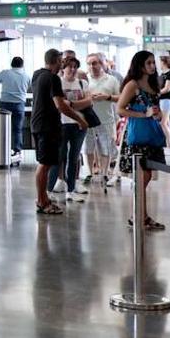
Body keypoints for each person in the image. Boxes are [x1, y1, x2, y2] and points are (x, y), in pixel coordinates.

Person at [31, 49, 88, 216]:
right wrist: (80, 119)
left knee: (44, 163)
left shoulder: (37, 75)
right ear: (56, 60)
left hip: (38, 124)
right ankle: (42, 201)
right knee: (45, 164)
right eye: (61, 61)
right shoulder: (53, 78)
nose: (63, 64)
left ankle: (43, 199)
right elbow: (60, 105)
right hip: (47, 126)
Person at [117, 51, 167, 231]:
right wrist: (141, 114)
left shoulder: (154, 84)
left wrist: (158, 114)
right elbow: (120, 109)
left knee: (145, 178)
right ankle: (139, 216)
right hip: (138, 135)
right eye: (149, 63)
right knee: (142, 177)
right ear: (140, 65)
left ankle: (141, 215)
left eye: (154, 63)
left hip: (152, 135)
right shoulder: (132, 85)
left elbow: (156, 108)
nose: (153, 66)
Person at [47, 57, 91, 202]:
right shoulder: (57, 82)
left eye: (75, 67)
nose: (72, 69)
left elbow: (88, 101)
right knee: (59, 157)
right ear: (63, 68)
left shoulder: (82, 83)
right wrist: (74, 105)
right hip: (61, 124)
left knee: (74, 157)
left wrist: (70, 104)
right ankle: (49, 190)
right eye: (69, 66)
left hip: (79, 125)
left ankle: (71, 190)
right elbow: (58, 104)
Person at [83, 53, 121, 188]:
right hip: (88, 120)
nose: (92, 66)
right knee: (88, 148)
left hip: (106, 120)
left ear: (102, 64)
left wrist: (107, 97)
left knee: (106, 148)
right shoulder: (84, 80)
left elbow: (120, 97)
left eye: (95, 63)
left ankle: (104, 173)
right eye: (89, 63)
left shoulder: (111, 80)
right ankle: (91, 172)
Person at [0, 57, 30, 156]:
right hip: (19, 104)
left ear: (11, 64)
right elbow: (30, 87)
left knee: (4, 128)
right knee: (17, 129)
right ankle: (17, 150)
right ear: (22, 65)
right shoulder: (26, 76)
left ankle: (3, 149)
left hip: (5, 103)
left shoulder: (5, 73)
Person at [156, 55, 170, 150]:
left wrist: (157, 93)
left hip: (167, 100)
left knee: (163, 123)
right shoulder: (162, 74)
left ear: (164, 63)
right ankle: (168, 144)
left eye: (160, 62)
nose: (158, 64)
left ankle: (169, 145)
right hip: (162, 100)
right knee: (167, 123)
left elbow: (167, 88)